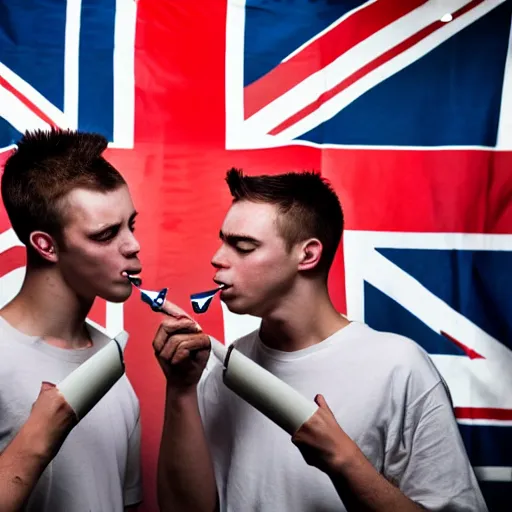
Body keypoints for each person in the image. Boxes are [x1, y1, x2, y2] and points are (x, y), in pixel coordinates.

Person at [153, 168, 488, 511]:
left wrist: (343, 461)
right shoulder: (228, 367)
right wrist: (180, 390)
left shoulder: (399, 367)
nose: (218, 258)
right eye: (224, 241)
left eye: (242, 246)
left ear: (308, 255)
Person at [0, 128, 143, 511]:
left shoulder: (112, 366)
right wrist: (35, 440)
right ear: (46, 245)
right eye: (106, 234)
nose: (132, 245)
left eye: (131, 224)